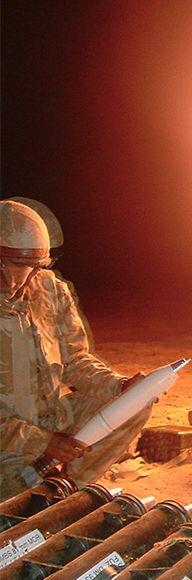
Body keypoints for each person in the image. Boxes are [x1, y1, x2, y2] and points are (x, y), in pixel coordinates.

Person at [1, 199, 150, 500]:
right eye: (19, 265)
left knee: (136, 402)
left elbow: (76, 360)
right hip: (9, 442)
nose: (29, 277)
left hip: (55, 418)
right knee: (14, 508)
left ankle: (70, 487)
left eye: (37, 266)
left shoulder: (50, 289)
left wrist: (119, 386)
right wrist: (41, 443)